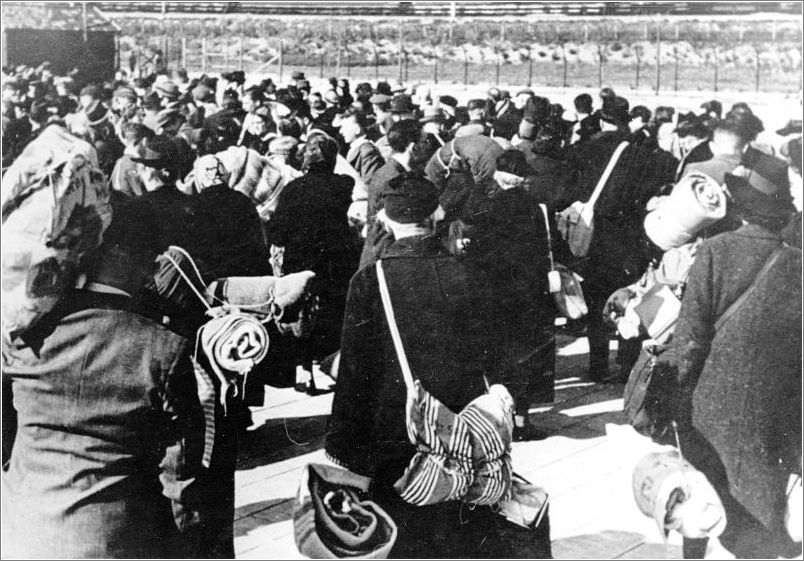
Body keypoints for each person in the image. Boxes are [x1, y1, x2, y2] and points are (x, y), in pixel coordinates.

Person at [326, 171, 552, 558]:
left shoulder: (370, 281)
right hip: (468, 436)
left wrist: (344, 451)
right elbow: (503, 361)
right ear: (438, 214)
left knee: (406, 539)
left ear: (383, 219)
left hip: (399, 437)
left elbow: (355, 379)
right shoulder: (474, 273)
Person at [1, 198, 216, 558]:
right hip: (119, 542)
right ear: (134, 259)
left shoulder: (21, 337)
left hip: (22, 532)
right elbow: (180, 480)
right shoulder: (164, 348)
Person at [658, 156, 800, 559]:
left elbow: (690, 337)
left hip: (710, 400)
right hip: (771, 403)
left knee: (699, 493)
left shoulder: (717, 251)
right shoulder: (798, 264)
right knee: (760, 495)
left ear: (743, 208)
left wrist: (675, 392)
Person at [340, 107, 384, 186]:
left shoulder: (368, 151)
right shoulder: (357, 148)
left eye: (345, 127)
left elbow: (369, 184)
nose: (341, 131)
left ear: (357, 129)